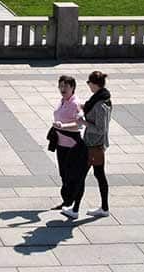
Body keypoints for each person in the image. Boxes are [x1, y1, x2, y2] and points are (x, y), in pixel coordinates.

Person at [71, 70, 112, 218]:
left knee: (81, 175)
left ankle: (75, 210)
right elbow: (90, 107)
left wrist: (84, 123)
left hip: (93, 146)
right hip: (95, 145)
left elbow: (101, 129)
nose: (88, 85)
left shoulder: (101, 104)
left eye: (89, 83)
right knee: (99, 175)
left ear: (95, 84)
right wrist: (81, 106)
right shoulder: (100, 97)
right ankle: (104, 208)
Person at [51, 75, 87, 215]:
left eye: (66, 86)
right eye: (61, 85)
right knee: (63, 174)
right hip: (61, 144)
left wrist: (63, 126)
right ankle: (67, 201)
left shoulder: (75, 103)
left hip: (72, 145)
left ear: (73, 88)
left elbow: (79, 124)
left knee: (71, 175)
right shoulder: (62, 101)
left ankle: (71, 203)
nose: (63, 88)